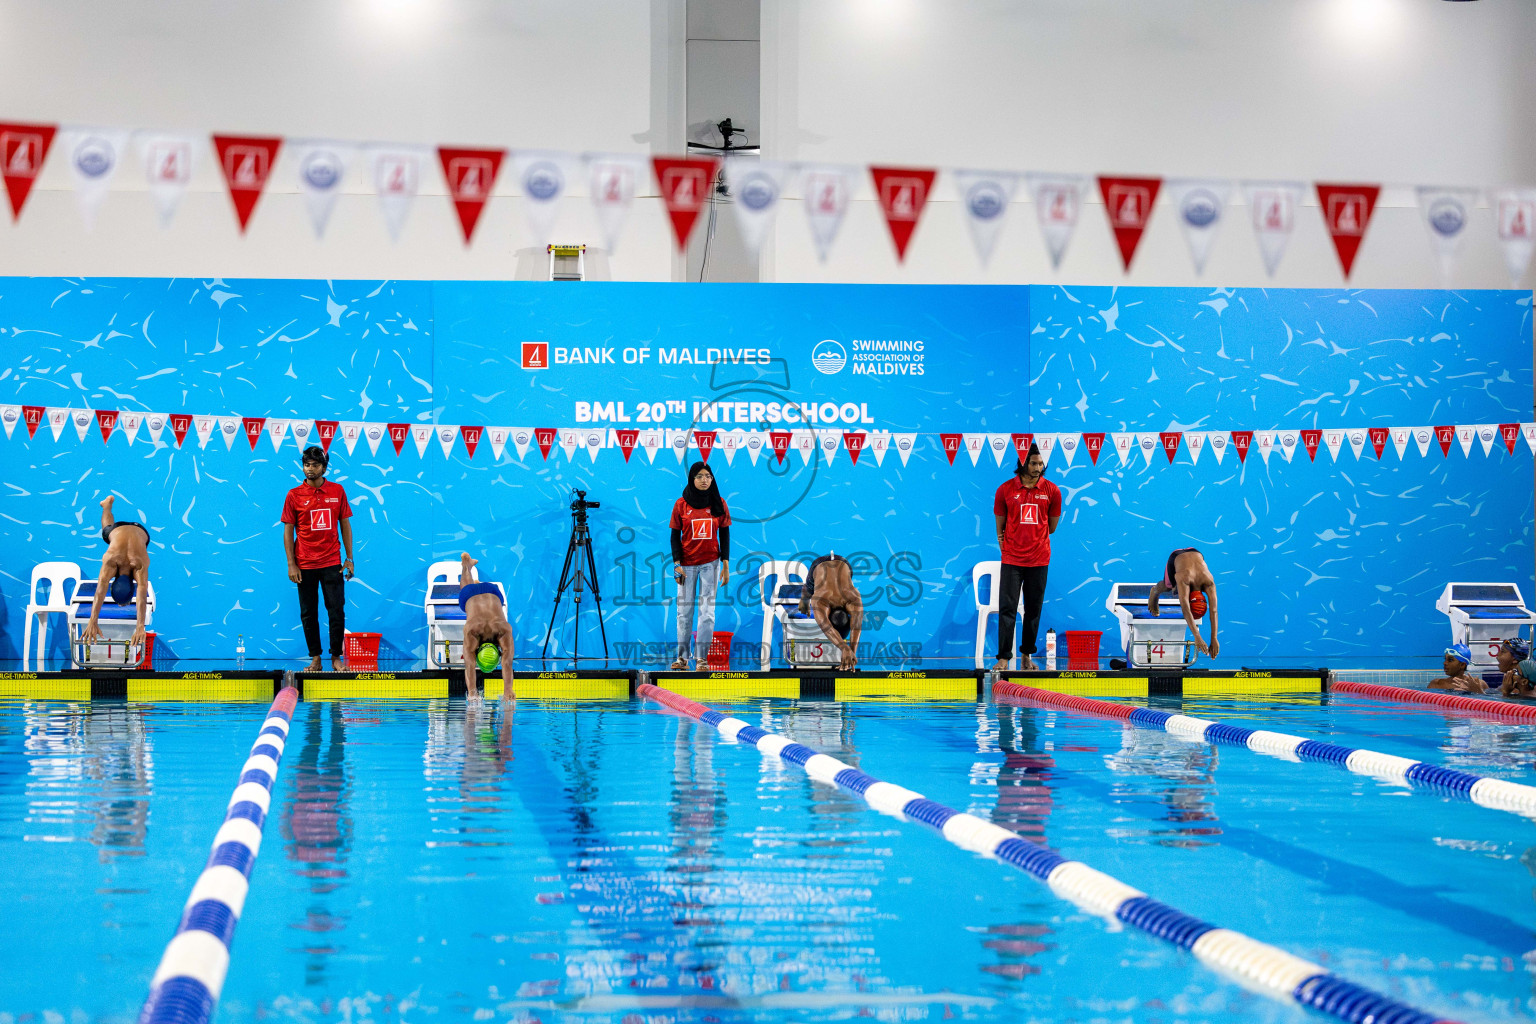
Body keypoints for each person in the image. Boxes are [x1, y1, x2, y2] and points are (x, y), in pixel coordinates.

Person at [281, 445, 355, 672]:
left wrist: (349, 558)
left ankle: (335, 658)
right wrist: (292, 564)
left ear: (324, 466)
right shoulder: (294, 495)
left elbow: (345, 525)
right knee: (308, 613)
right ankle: (315, 658)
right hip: (304, 564)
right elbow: (288, 531)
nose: (310, 469)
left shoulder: (337, 491)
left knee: (336, 610)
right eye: (306, 465)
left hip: (332, 561)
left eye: (315, 465)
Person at [992, 444, 1062, 671]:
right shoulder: (1005, 490)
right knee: (1007, 609)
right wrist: (1009, 548)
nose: (1038, 468)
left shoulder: (1052, 491)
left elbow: (1051, 528)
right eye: (1033, 463)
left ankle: (1026, 657)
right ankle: (1003, 657)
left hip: (1039, 559)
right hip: (1012, 559)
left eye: (1041, 464)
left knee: (1033, 610)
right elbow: (1000, 527)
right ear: (1023, 463)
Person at [669, 461, 730, 670]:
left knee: (707, 612)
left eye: (708, 476)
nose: (704, 480)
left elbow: (725, 534)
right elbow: (674, 537)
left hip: (710, 565)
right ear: (692, 479)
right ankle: (682, 658)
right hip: (686, 565)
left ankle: (702, 658)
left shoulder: (718, 503)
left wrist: (725, 564)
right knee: (684, 612)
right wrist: (677, 564)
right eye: (700, 476)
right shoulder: (680, 505)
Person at [81, 496, 151, 651]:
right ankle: (106, 506)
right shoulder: (137, 563)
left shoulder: (115, 561)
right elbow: (142, 592)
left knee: (108, 529)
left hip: (140, 531)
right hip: (120, 530)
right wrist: (140, 625)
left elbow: (101, 589)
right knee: (107, 530)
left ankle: (107, 506)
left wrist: (93, 620)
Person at [457, 552, 514, 700]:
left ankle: (467, 566)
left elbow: (506, 662)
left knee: (468, 589)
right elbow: (505, 663)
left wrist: (509, 690)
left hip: (492, 591)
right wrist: (472, 694)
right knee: (466, 589)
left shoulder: (503, 628)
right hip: (471, 595)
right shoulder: (472, 629)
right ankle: (466, 567)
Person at [1148, 547, 1219, 660]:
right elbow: (1185, 609)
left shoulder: (1209, 582)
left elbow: (1214, 611)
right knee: (1168, 587)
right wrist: (1197, 636)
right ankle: (1154, 592)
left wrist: (1214, 638)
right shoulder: (1184, 578)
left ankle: (1175, 588)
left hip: (1196, 553)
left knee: (1177, 590)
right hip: (1176, 557)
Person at [798, 553, 864, 670]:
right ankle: (803, 602)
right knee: (806, 596)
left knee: (812, 592)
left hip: (843, 562)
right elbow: (827, 628)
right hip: (820, 565)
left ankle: (803, 602)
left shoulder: (854, 595)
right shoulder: (819, 601)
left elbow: (856, 626)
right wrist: (846, 649)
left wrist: (850, 653)